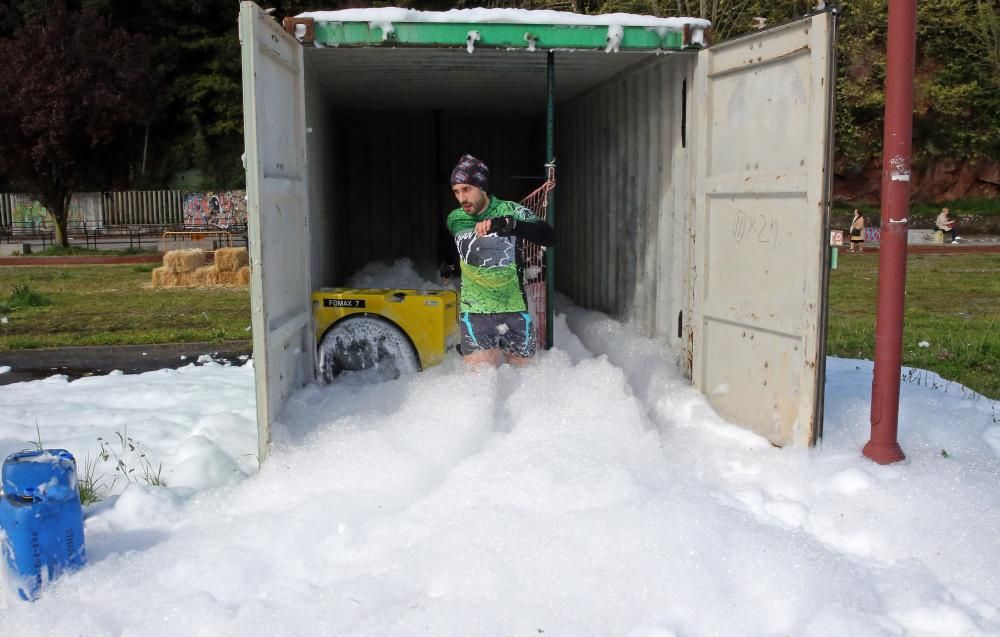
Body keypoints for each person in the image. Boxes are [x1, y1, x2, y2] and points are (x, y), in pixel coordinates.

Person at [445, 154, 556, 367]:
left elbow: (549, 237)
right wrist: (449, 267)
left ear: (482, 186)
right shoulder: (455, 218)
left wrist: (512, 225)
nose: (461, 198)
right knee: (479, 388)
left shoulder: (510, 211)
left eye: (467, 189)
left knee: (525, 383)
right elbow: (461, 251)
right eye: (456, 191)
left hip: (514, 311)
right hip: (475, 314)